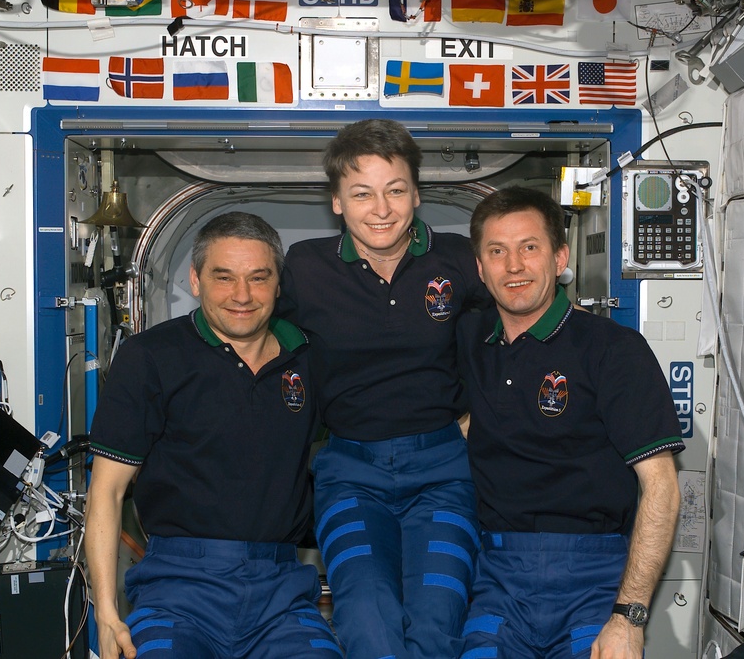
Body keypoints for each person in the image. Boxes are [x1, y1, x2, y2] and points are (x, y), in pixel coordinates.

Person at [276, 118, 490, 659]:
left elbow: (508, 340)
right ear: (337, 203)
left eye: (396, 190)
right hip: (350, 472)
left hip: (443, 468)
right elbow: (255, 337)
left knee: (438, 619)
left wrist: (477, 419)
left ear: (416, 193)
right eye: (362, 193)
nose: (382, 209)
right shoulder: (306, 268)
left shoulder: (459, 259)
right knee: (365, 616)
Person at [84, 212, 341, 659]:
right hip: (176, 593)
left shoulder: (309, 359)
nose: (242, 295)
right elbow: (106, 491)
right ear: (196, 280)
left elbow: (378, 424)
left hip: (281, 595)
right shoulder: (151, 358)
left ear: (279, 284)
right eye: (224, 277)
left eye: (258, 278)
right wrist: (107, 615)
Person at [456, 187, 684, 659]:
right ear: (480, 269)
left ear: (560, 257)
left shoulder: (613, 350)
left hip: (594, 582)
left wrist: (629, 616)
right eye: (497, 251)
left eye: (529, 247)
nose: (513, 266)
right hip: (498, 578)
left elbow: (661, 486)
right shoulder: (468, 342)